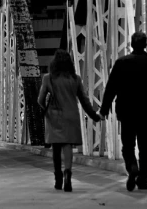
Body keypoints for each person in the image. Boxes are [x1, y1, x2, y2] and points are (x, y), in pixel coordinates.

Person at [99, 32, 147, 192]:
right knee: (145, 147)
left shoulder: (121, 63)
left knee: (127, 146)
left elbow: (111, 88)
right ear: (145, 45)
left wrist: (103, 110)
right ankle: (142, 180)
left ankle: (132, 167)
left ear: (131, 44)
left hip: (127, 112)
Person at [37, 49, 101, 192]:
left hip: (54, 117)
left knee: (56, 148)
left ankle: (58, 179)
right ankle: (68, 174)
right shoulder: (76, 79)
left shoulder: (48, 78)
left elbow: (40, 100)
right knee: (67, 146)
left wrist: (46, 109)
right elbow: (84, 101)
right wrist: (94, 115)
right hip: (71, 115)